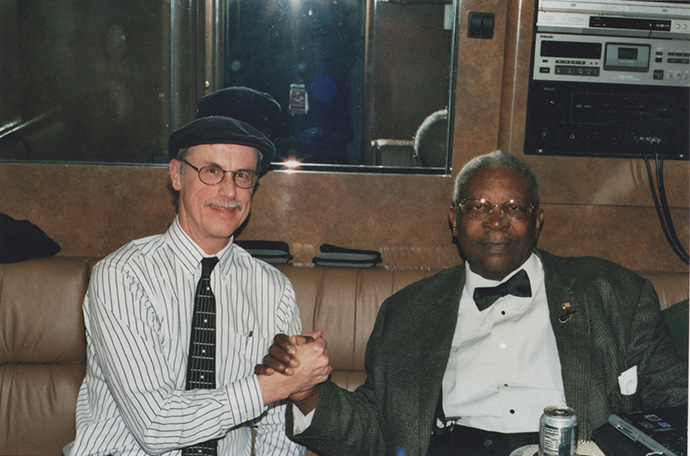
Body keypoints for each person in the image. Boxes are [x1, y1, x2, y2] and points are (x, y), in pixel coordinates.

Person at [258, 150, 688, 456]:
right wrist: (309, 392)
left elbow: (678, 404)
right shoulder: (406, 311)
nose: (496, 220)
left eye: (513, 207)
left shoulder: (616, 293)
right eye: (478, 206)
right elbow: (378, 432)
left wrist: (601, 450)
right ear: (454, 220)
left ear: (537, 221)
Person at [65, 87, 330, 456]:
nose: (229, 191)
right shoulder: (123, 275)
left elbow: (278, 433)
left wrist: (287, 386)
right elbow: (154, 426)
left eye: (242, 175)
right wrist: (270, 386)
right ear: (177, 174)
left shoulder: (273, 290)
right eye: (212, 171)